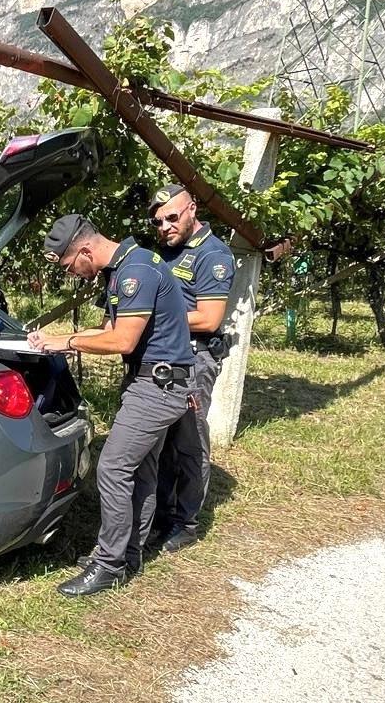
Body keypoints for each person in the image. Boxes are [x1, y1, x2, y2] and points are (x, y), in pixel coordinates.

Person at [30, 214, 195, 597]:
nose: (74, 273)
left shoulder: (135, 271)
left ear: (85, 249)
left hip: (157, 386)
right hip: (154, 380)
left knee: (114, 467)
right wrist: (52, 338)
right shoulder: (124, 267)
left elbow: (121, 341)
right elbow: (107, 332)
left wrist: (66, 342)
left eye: (71, 265)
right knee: (141, 470)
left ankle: (107, 564)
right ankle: (129, 553)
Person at [147, 184, 235, 554]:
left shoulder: (212, 255)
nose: (165, 226)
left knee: (188, 440)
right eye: (158, 221)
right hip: (165, 357)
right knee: (163, 441)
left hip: (195, 360)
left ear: (191, 210)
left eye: (172, 216)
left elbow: (210, 317)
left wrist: (152, 318)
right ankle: (163, 513)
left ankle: (187, 521)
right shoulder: (167, 253)